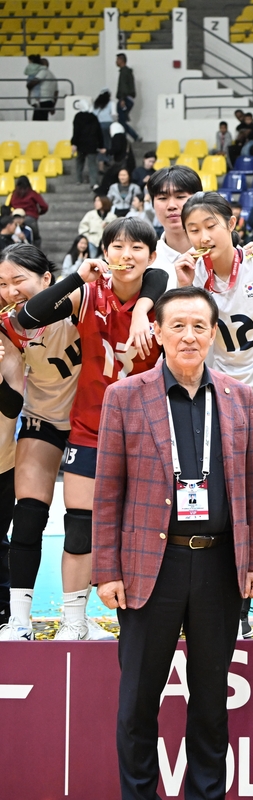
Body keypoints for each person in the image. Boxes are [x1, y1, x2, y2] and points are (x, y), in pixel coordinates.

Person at [93, 286, 253, 798]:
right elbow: (107, 491)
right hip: (151, 567)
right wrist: (107, 569)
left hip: (218, 569)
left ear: (213, 333)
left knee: (211, 704)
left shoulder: (239, 397)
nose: (189, 336)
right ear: (160, 332)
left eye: (199, 326)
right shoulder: (125, 396)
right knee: (138, 704)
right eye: (178, 326)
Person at [16, 217, 166, 641]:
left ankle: (134, 622)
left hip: (143, 435)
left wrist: (143, 309)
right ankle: (73, 622)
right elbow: (28, 317)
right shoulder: (86, 294)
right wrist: (74, 277)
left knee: (138, 528)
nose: (126, 254)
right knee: (80, 525)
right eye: (116, 246)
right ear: (104, 254)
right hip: (89, 428)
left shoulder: (164, 298)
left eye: (137, 247)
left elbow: (162, 277)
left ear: (150, 256)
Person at [173, 193, 253, 640]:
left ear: (233, 222)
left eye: (211, 224)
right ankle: (238, 608)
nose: (204, 236)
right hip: (222, 402)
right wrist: (184, 284)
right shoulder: (194, 276)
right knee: (229, 511)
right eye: (194, 229)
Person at [0, 245, 81, 642]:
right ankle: (19, 621)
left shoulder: (77, 307)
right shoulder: (7, 327)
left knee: (85, 525)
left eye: (19, 280)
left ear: (47, 279)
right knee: (29, 516)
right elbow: (12, 402)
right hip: (42, 420)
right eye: (2, 284)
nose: (11, 291)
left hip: (89, 423)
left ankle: (77, 620)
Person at [148, 166, 205, 282]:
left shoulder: (218, 253)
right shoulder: (146, 261)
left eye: (180, 197)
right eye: (163, 198)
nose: (171, 206)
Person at [70, 100, 104, 186]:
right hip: (92, 144)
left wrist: (74, 143)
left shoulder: (78, 117)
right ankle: (94, 182)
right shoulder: (94, 117)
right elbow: (99, 132)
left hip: (81, 144)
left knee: (79, 162)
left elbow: (76, 132)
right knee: (92, 165)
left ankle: (79, 179)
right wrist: (101, 145)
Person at [9, 176, 48, 245]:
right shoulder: (32, 193)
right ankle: (36, 254)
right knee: (36, 239)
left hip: (16, 219)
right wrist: (38, 213)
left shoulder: (14, 194)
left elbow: (11, 204)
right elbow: (44, 206)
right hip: (30, 218)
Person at [114, 52, 140, 141]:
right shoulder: (127, 72)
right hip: (129, 99)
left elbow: (123, 86)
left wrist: (122, 99)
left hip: (125, 99)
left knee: (121, 122)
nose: (116, 62)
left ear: (121, 60)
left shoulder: (124, 72)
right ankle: (129, 138)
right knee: (122, 121)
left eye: (117, 60)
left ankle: (134, 137)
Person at [26, 56, 57, 121]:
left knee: (38, 122)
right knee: (43, 120)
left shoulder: (43, 72)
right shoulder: (53, 75)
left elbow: (35, 82)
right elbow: (56, 92)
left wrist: (28, 85)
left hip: (42, 101)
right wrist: (53, 106)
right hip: (49, 101)